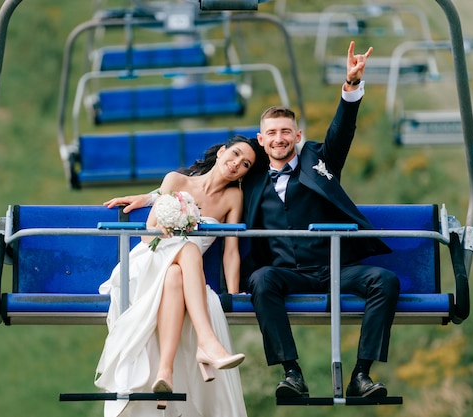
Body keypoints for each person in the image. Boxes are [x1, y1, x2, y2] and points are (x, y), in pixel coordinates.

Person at [106, 41, 400, 399]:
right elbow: (205, 181)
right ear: (262, 140)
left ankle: (361, 375)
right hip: (284, 271)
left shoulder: (319, 162)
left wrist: (351, 87)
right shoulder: (252, 178)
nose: (279, 139)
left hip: (332, 265)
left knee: (384, 281)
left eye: (286, 132)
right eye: (272, 133)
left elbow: (342, 132)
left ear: (298, 136)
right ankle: (292, 374)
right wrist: (152, 197)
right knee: (261, 279)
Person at [95, 135, 266, 417]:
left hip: (182, 273)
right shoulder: (175, 180)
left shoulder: (233, 197)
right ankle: (207, 342)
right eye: (234, 155)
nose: (236, 164)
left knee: (176, 275)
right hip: (151, 258)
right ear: (222, 151)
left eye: (245, 164)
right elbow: (149, 228)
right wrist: (169, 218)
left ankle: (166, 371)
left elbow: (231, 250)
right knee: (188, 250)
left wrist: (233, 294)